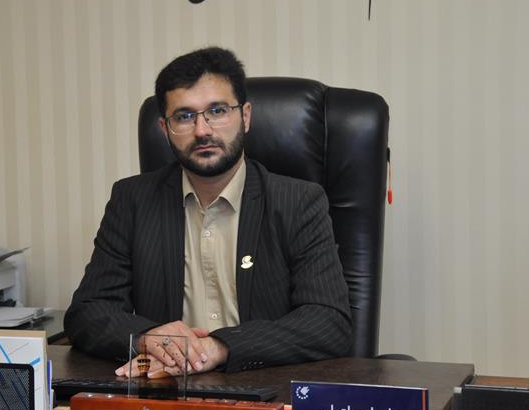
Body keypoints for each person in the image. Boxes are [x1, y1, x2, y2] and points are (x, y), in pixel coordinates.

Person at [64, 46, 352, 377]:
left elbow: (329, 322)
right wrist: (147, 339)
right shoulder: (133, 201)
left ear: (245, 116)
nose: (202, 130)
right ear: (165, 129)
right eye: (184, 116)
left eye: (217, 111)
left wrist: (221, 347)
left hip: (263, 390)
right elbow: (87, 312)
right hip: (166, 389)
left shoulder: (298, 203)